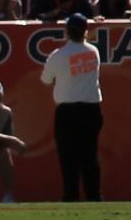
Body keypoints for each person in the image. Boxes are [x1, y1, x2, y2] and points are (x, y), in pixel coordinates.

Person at [41, 10, 104, 201]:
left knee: (68, 156)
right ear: (85, 31)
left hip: (68, 111)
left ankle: (71, 196)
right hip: (92, 109)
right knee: (90, 155)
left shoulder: (58, 55)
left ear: (67, 31)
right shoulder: (93, 51)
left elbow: (46, 79)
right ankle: (94, 196)